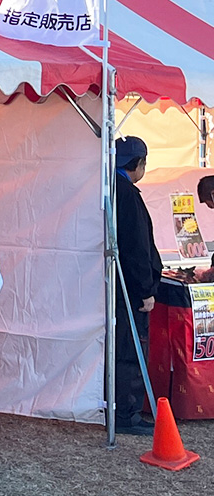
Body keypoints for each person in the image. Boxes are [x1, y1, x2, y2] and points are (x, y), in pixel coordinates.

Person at [115, 135, 162, 436]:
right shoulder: (128, 195)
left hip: (116, 287)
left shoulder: (109, 188)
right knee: (130, 350)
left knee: (120, 348)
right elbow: (136, 249)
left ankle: (121, 408)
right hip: (130, 291)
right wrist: (145, 290)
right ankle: (127, 413)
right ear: (139, 164)